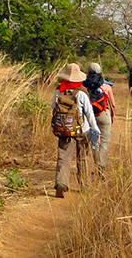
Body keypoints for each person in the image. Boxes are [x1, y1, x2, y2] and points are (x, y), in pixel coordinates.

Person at [51, 62, 100, 198]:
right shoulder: (82, 93)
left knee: (63, 157)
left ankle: (61, 183)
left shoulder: (58, 90)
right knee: (83, 157)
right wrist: (95, 130)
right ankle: (84, 185)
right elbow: (89, 114)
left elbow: (53, 107)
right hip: (82, 130)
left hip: (63, 129)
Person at [84, 62, 116, 171]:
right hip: (103, 114)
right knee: (104, 140)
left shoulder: (84, 86)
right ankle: (101, 165)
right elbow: (113, 104)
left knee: (93, 140)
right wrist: (112, 116)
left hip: (88, 116)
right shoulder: (106, 86)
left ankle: (94, 161)